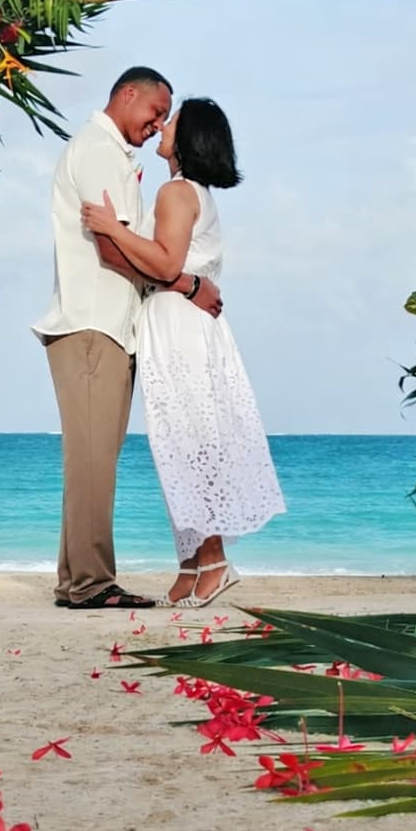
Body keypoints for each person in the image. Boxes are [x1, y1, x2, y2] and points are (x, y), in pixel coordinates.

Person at [81, 97, 286, 608]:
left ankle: (213, 560)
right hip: (184, 321)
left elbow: (167, 262)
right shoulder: (193, 193)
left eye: (170, 122)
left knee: (189, 440)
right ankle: (192, 562)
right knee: (181, 440)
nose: (161, 128)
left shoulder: (176, 191)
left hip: (178, 325)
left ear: (189, 137)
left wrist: (112, 229)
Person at [32, 68, 223, 610]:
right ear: (126, 95)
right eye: (154, 112)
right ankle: (92, 585)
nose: (156, 124)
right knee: (93, 460)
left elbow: (125, 243)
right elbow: (110, 248)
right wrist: (185, 284)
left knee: (90, 458)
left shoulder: (114, 156)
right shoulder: (96, 150)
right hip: (93, 322)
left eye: (165, 119)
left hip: (105, 324)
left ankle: (76, 581)